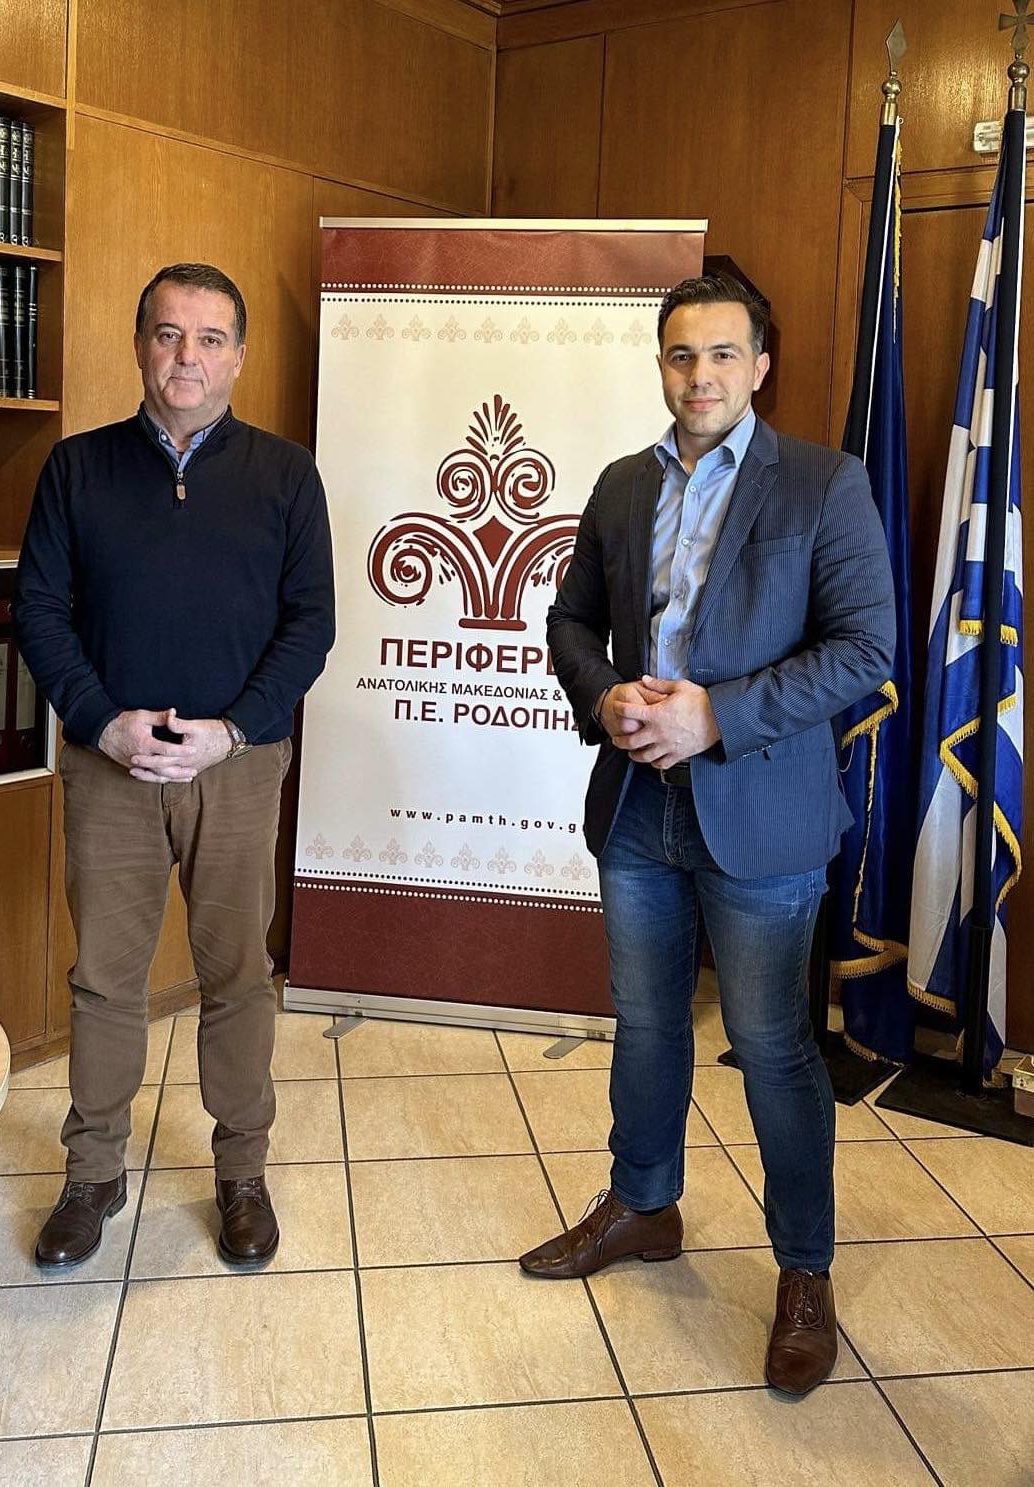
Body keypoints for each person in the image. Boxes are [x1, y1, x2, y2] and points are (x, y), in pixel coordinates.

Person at [520, 272, 895, 1396]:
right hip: (639, 805)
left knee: (771, 1044)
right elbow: (571, 619)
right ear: (660, 364)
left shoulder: (824, 483)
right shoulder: (622, 483)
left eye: (724, 354)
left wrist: (716, 715)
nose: (701, 376)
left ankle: (804, 1270)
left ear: (760, 365)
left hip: (760, 812)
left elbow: (864, 647)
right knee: (645, 1022)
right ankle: (644, 1203)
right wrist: (603, 696)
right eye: (682, 355)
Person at [14, 262, 335, 1271]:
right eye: (167, 333)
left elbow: (311, 624)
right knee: (105, 980)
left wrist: (232, 730)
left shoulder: (286, 475)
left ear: (238, 356)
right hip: (110, 766)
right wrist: (102, 722)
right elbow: (39, 612)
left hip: (237, 766)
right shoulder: (76, 468)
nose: (186, 355)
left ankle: (241, 1171)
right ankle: (92, 1173)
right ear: (140, 345)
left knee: (237, 975)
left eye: (208, 337)